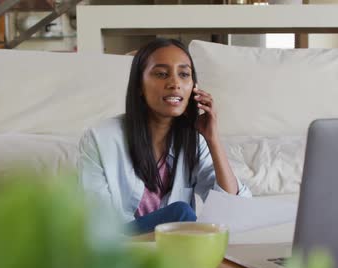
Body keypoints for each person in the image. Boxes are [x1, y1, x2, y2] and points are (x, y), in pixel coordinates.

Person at [79, 38, 251, 234]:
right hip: (119, 247)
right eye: (161, 74)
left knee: (188, 219)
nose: (175, 83)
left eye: (184, 74)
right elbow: (100, 223)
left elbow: (235, 208)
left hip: (170, 250)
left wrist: (213, 139)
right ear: (139, 86)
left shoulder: (194, 142)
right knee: (181, 213)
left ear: (193, 87)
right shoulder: (100, 138)